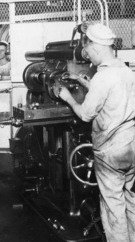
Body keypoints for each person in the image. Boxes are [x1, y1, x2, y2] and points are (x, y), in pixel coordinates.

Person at [58, 23, 135, 242]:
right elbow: (115, 98)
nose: (88, 58)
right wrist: (87, 84)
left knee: (113, 208)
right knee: (131, 200)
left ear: (98, 47)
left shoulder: (103, 77)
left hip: (110, 152)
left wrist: (68, 97)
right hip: (130, 147)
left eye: (89, 51)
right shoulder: (126, 71)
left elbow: (85, 114)